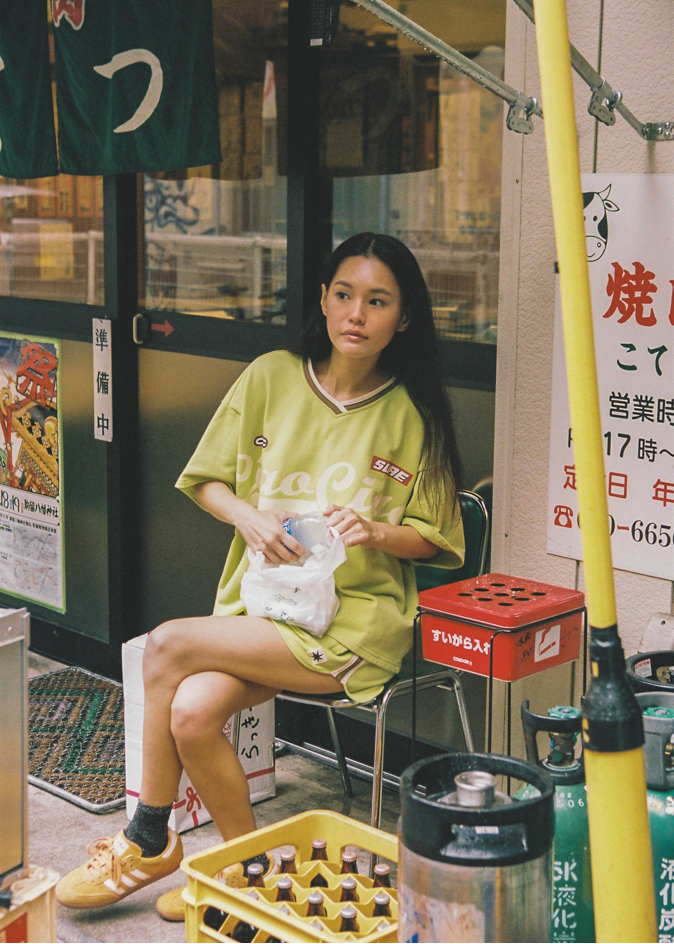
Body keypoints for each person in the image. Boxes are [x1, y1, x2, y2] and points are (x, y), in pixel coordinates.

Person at [55, 232, 465, 919]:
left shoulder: (415, 412)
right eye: (344, 294)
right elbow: (207, 480)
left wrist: (374, 531)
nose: (356, 314)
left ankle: (148, 837)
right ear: (323, 299)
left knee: (166, 645)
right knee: (191, 713)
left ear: (404, 319)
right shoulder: (272, 376)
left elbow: (434, 539)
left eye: (377, 301)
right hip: (263, 610)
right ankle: (243, 874)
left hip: (352, 625)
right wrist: (248, 518)